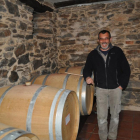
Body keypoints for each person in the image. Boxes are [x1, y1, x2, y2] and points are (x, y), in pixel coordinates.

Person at [83, 30, 130, 140]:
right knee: (102, 117)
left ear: (110, 39)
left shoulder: (117, 52)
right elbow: (87, 69)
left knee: (115, 116)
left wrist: (121, 86)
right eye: (102, 39)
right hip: (100, 90)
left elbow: (126, 70)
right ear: (98, 40)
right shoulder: (93, 54)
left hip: (116, 89)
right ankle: (103, 137)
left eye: (106, 38)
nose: (104, 41)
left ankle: (112, 137)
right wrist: (87, 77)